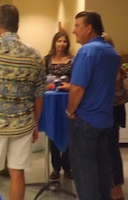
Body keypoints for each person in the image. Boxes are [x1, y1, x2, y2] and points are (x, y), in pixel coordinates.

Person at [0, 4, 46, 200]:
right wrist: (35, 124)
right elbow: (39, 96)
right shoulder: (35, 54)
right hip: (23, 125)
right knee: (17, 172)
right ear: (17, 25)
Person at [66, 11, 120, 200]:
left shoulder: (87, 51)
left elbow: (77, 88)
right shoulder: (112, 52)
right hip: (105, 120)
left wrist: (70, 111)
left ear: (89, 28)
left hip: (86, 121)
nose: (74, 31)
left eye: (77, 26)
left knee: (85, 174)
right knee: (102, 171)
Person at [44, 31, 73, 180]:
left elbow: (77, 81)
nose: (61, 44)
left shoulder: (73, 60)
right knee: (52, 130)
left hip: (68, 101)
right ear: (54, 42)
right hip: (51, 102)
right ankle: (55, 167)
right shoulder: (47, 60)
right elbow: (42, 80)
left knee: (68, 131)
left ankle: (68, 167)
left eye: (64, 41)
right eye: (59, 41)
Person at [103, 32, 126, 200]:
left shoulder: (113, 57)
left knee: (111, 149)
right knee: (106, 149)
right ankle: (109, 184)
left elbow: (117, 80)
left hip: (112, 108)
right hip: (106, 108)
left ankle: (116, 188)